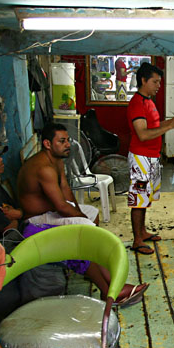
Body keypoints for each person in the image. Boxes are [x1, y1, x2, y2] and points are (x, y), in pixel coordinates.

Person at [15, 128, 148, 305]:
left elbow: (67, 194)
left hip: (51, 212)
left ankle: (105, 275)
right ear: (47, 144)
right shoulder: (43, 168)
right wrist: (81, 220)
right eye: (61, 141)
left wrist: (81, 214)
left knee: (91, 214)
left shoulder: (57, 161)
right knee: (85, 233)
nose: (67, 144)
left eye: (67, 140)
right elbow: (62, 206)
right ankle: (107, 290)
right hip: (36, 220)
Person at [126, 62, 174, 255]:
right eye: (155, 82)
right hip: (140, 158)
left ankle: (142, 232)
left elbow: (155, 126)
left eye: (160, 82)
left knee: (146, 198)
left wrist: (172, 123)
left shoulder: (149, 101)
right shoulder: (137, 103)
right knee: (138, 199)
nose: (159, 86)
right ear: (143, 80)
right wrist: (169, 126)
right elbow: (142, 134)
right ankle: (136, 240)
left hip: (151, 157)